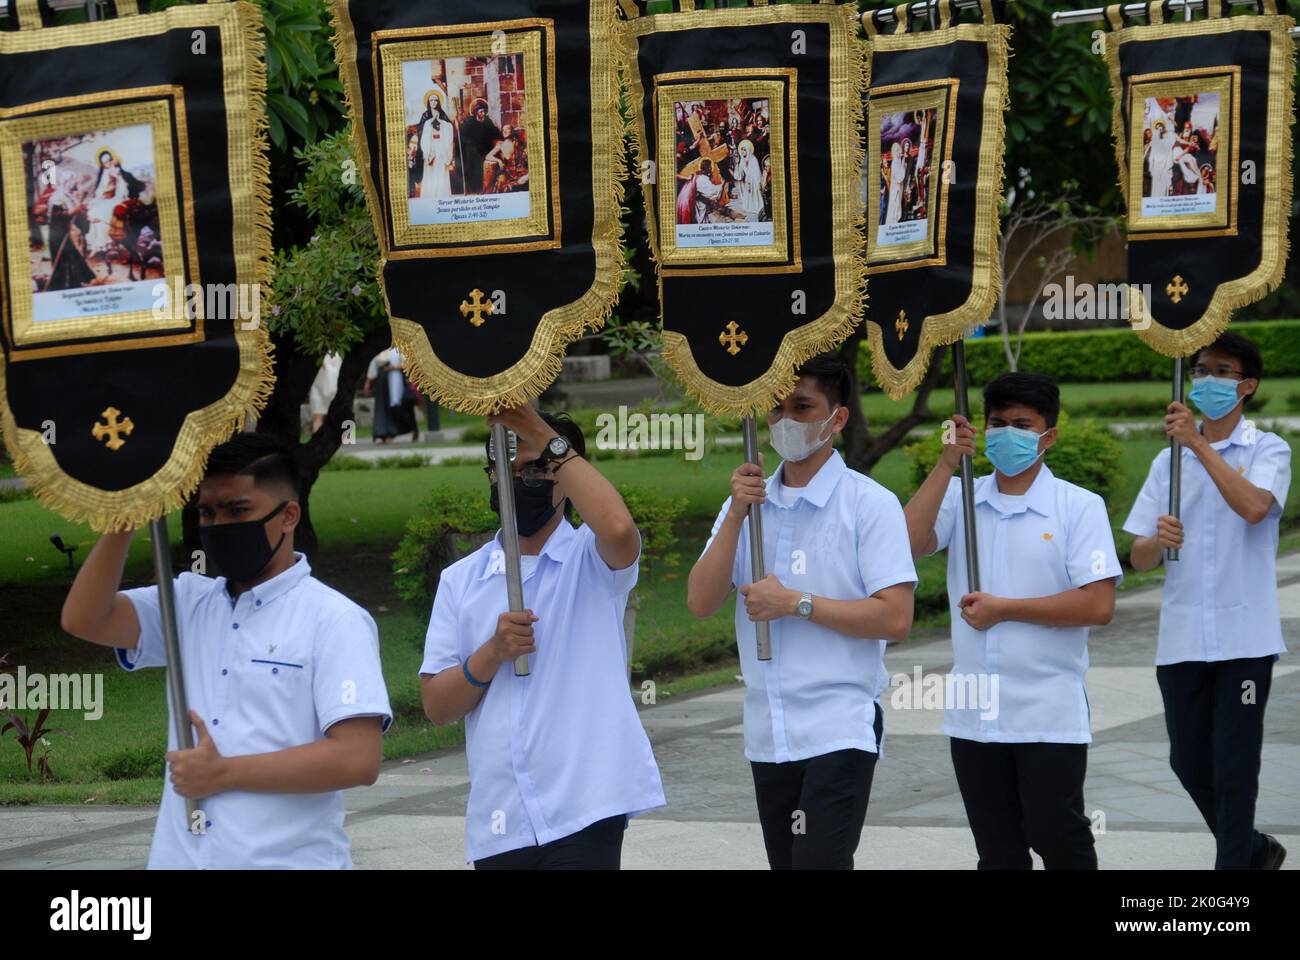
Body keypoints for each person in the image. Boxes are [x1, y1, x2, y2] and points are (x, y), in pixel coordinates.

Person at [59, 433, 392, 869]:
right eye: (206, 513)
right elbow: (84, 619)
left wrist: (224, 772)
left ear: (289, 515)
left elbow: (357, 759)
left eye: (238, 510)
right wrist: (126, 518)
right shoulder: (188, 602)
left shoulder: (334, 620)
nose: (219, 526)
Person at [687, 354, 916, 870]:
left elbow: (896, 617)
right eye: (776, 408)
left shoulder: (868, 504)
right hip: (769, 728)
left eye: (802, 406)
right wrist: (736, 515)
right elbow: (701, 602)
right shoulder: (747, 503)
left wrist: (797, 603)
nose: (786, 419)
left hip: (839, 722)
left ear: (837, 418)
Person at [419, 406, 665, 868]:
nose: (520, 480)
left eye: (537, 469)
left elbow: (617, 529)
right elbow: (436, 706)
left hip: (585, 807)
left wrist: (534, 428)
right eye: (506, 470)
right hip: (502, 816)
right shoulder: (461, 581)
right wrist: (490, 654)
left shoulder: (592, 562)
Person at [903, 372, 1120, 870]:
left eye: (1022, 424)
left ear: (1049, 436)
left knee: (1057, 835)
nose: (1007, 434)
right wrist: (946, 462)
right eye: (997, 423)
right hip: (974, 712)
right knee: (997, 851)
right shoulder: (963, 498)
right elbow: (907, 544)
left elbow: (1097, 605)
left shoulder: (1077, 507)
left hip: (1048, 710)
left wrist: (1006, 609)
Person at [1123, 332, 1291, 870]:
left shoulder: (1268, 449)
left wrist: (1198, 445)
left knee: (1234, 766)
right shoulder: (1164, 464)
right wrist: (1157, 541)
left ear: (1246, 386)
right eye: (1199, 370)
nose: (1207, 380)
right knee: (1188, 762)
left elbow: (1254, 509)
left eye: (1222, 371)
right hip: (1183, 638)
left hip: (1245, 638)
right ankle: (1255, 850)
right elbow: (1139, 558)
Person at [457, 98, 502, 196]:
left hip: (485, 148)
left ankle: (483, 188)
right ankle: (473, 189)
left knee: (484, 166)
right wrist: (470, 143)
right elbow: (463, 135)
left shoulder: (487, 121)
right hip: (472, 149)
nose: (483, 113)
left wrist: (499, 138)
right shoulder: (469, 122)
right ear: (476, 112)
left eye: (484, 111)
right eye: (481, 111)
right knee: (472, 164)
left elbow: (495, 132)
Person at [417, 91, 455, 201]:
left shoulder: (442, 114)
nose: (433, 102)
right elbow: (421, 132)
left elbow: (448, 130)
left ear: (438, 102)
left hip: (441, 147)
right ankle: (430, 197)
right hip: (430, 147)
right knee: (431, 172)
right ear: (428, 102)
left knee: (441, 171)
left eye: (435, 100)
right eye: (431, 100)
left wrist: (449, 124)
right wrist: (427, 150)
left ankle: (441, 197)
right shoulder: (426, 115)